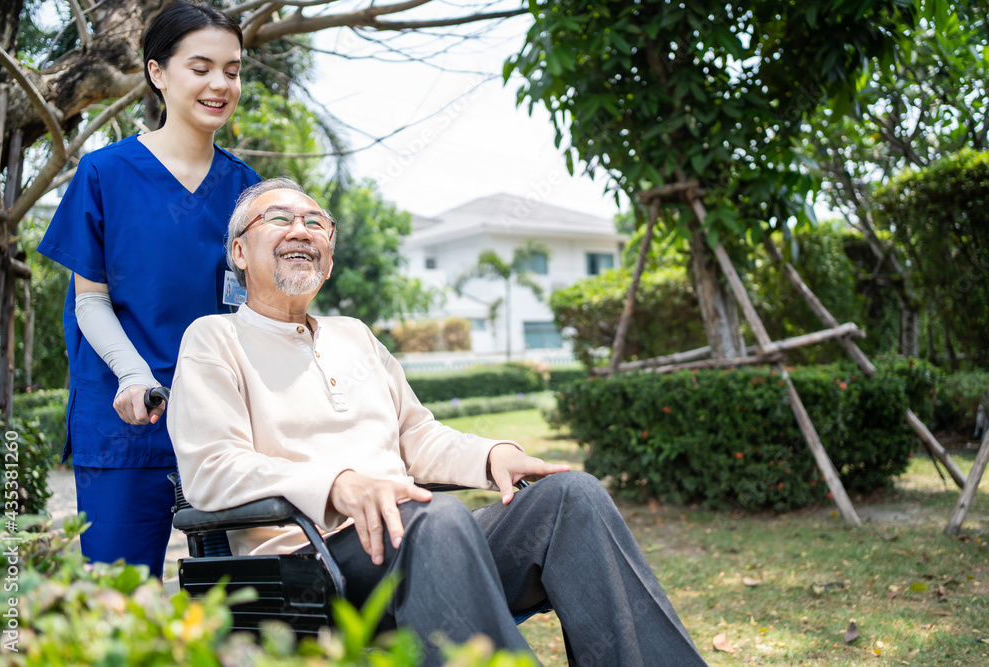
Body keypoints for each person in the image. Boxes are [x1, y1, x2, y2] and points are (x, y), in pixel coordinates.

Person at [167, 178, 707, 666]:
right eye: (279, 218)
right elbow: (212, 469)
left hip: (419, 537)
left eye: (316, 222)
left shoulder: (354, 335)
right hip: (308, 565)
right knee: (436, 517)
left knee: (573, 496)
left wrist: (493, 455)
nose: (301, 231)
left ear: (329, 259)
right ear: (238, 251)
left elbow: (416, 434)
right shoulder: (215, 341)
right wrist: (336, 485)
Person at [37, 1, 260, 579]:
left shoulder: (247, 189)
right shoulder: (104, 173)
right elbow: (90, 300)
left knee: (233, 607)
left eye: (233, 70)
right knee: (121, 599)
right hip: (125, 422)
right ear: (158, 74)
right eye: (201, 67)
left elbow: (253, 310)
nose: (220, 84)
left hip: (220, 425)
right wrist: (134, 374)